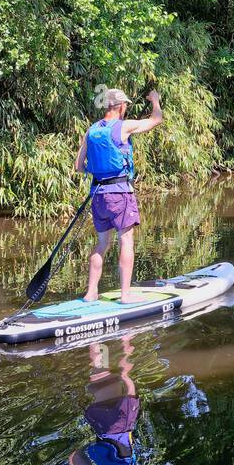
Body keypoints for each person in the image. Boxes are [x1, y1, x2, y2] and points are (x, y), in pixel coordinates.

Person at [74, 88, 163, 303]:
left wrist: (100, 174)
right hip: (120, 194)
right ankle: (125, 296)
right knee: (126, 242)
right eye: (126, 106)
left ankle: (91, 293)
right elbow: (155, 120)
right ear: (121, 106)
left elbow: (78, 166)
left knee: (102, 245)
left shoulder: (92, 130)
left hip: (98, 195)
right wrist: (155, 100)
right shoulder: (124, 126)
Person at [68, 336, 158, 465]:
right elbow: (76, 460)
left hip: (121, 425)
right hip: (101, 425)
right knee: (101, 372)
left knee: (127, 380)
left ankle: (127, 339)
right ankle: (94, 339)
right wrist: (86, 447)